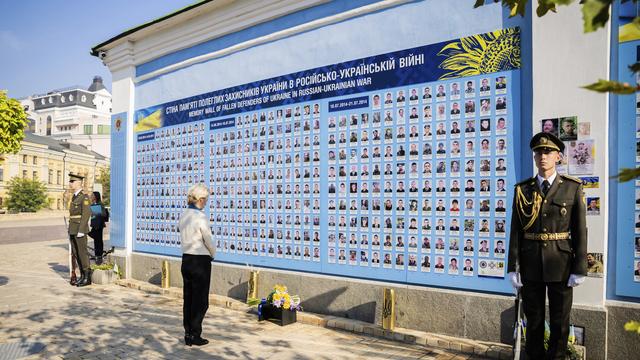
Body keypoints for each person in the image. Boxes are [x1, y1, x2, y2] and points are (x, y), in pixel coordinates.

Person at [508, 132, 587, 359]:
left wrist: (579, 267)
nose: (542, 156)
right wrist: (513, 267)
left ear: (558, 157)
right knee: (533, 322)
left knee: (560, 323)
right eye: (538, 152)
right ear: (534, 158)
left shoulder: (572, 188)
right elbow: (516, 230)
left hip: (561, 264)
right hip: (530, 262)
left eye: (548, 152)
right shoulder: (523, 190)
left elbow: (580, 230)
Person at [180, 184, 216, 347]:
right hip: (200, 261)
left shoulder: (184, 214)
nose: (206, 203)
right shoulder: (200, 217)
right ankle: (196, 333)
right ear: (201, 200)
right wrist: (213, 253)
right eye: (206, 200)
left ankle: (188, 333)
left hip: (186, 259)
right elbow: (208, 239)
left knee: (189, 298)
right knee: (201, 300)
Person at [67, 173, 92, 287]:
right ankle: (82, 275)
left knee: (82, 253)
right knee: (76, 253)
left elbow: (86, 214)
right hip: (73, 228)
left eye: (72, 182)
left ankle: (87, 277)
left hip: (79, 229)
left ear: (78, 183)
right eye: (70, 181)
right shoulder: (75, 197)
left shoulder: (84, 197)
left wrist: (81, 230)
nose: (70, 183)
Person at [88, 191, 109, 265]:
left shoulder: (100, 204)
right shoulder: (92, 204)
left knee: (99, 240)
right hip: (94, 224)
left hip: (99, 225)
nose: (91, 196)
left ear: (96, 196)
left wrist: (97, 211)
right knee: (95, 239)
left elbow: (104, 214)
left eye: (92, 195)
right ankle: (97, 254)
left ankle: (99, 255)